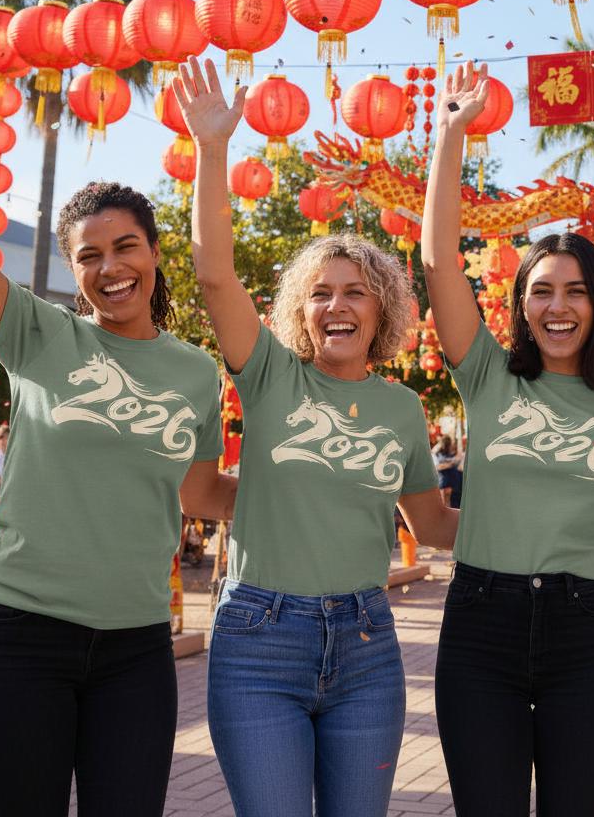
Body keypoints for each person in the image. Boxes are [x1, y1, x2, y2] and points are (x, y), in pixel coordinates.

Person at [0, 104, 227, 817]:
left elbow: (204, 493)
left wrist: (316, 487)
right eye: (89, 255)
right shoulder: (37, 333)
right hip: (18, 638)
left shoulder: (195, 373)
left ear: (154, 253)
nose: (110, 267)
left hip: (137, 651)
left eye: (126, 246)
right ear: (72, 269)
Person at [173, 56, 458, 817]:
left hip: (366, 644)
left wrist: (554, 511)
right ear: (299, 311)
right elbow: (214, 276)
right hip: (259, 638)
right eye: (320, 293)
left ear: (383, 311)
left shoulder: (400, 408)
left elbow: (431, 525)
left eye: (356, 293)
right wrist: (211, 149)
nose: (337, 305)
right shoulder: (270, 375)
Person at [422, 60, 594, 817]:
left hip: (588, 635)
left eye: (575, 291)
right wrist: (450, 135)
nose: (557, 306)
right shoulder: (489, 376)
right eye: (541, 290)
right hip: (480, 630)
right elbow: (440, 262)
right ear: (520, 304)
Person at [432, 434, 464, 508]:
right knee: (447, 505)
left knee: (447, 505)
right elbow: (438, 467)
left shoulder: (440, 454)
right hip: (447, 482)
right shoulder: (437, 454)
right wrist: (451, 464)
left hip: (449, 482)